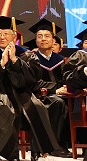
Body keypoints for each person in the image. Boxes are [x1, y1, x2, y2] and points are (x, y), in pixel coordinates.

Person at [0, 15, 66, 161]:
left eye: (6, 34)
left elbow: (33, 78)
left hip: (23, 93)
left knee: (38, 106)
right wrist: (1, 64)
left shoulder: (26, 54)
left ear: (14, 35)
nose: (2, 37)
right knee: (7, 108)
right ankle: (11, 154)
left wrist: (15, 61)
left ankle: (37, 152)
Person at [27, 18, 70, 149]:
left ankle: (63, 143)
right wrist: (54, 90)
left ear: (53, 40)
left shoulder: (61, 60)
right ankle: (53, 145)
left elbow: (66, 79)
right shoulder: (30, 58)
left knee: (68, 102)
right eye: (40, 36)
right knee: (58, 102)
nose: (43, 39)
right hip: (37, 96)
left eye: (47, 36)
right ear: (36, 41)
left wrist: (64, 88)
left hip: (61, 95)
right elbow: (31, 82)